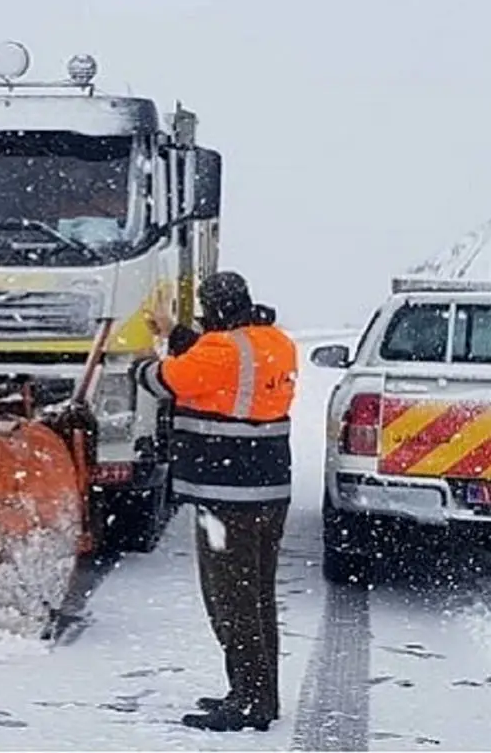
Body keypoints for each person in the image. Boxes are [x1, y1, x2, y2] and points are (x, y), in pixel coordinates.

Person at [129, 271, 297, 732]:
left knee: (230, 600)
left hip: (226, 500)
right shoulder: (274, 342)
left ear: (216, 309)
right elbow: (216, 366)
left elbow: (163, 380)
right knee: (257, 596)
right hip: (267, 493)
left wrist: (143, 356)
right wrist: (177, 333)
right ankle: (260, 693)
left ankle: (248, 702)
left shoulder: (221, 350)